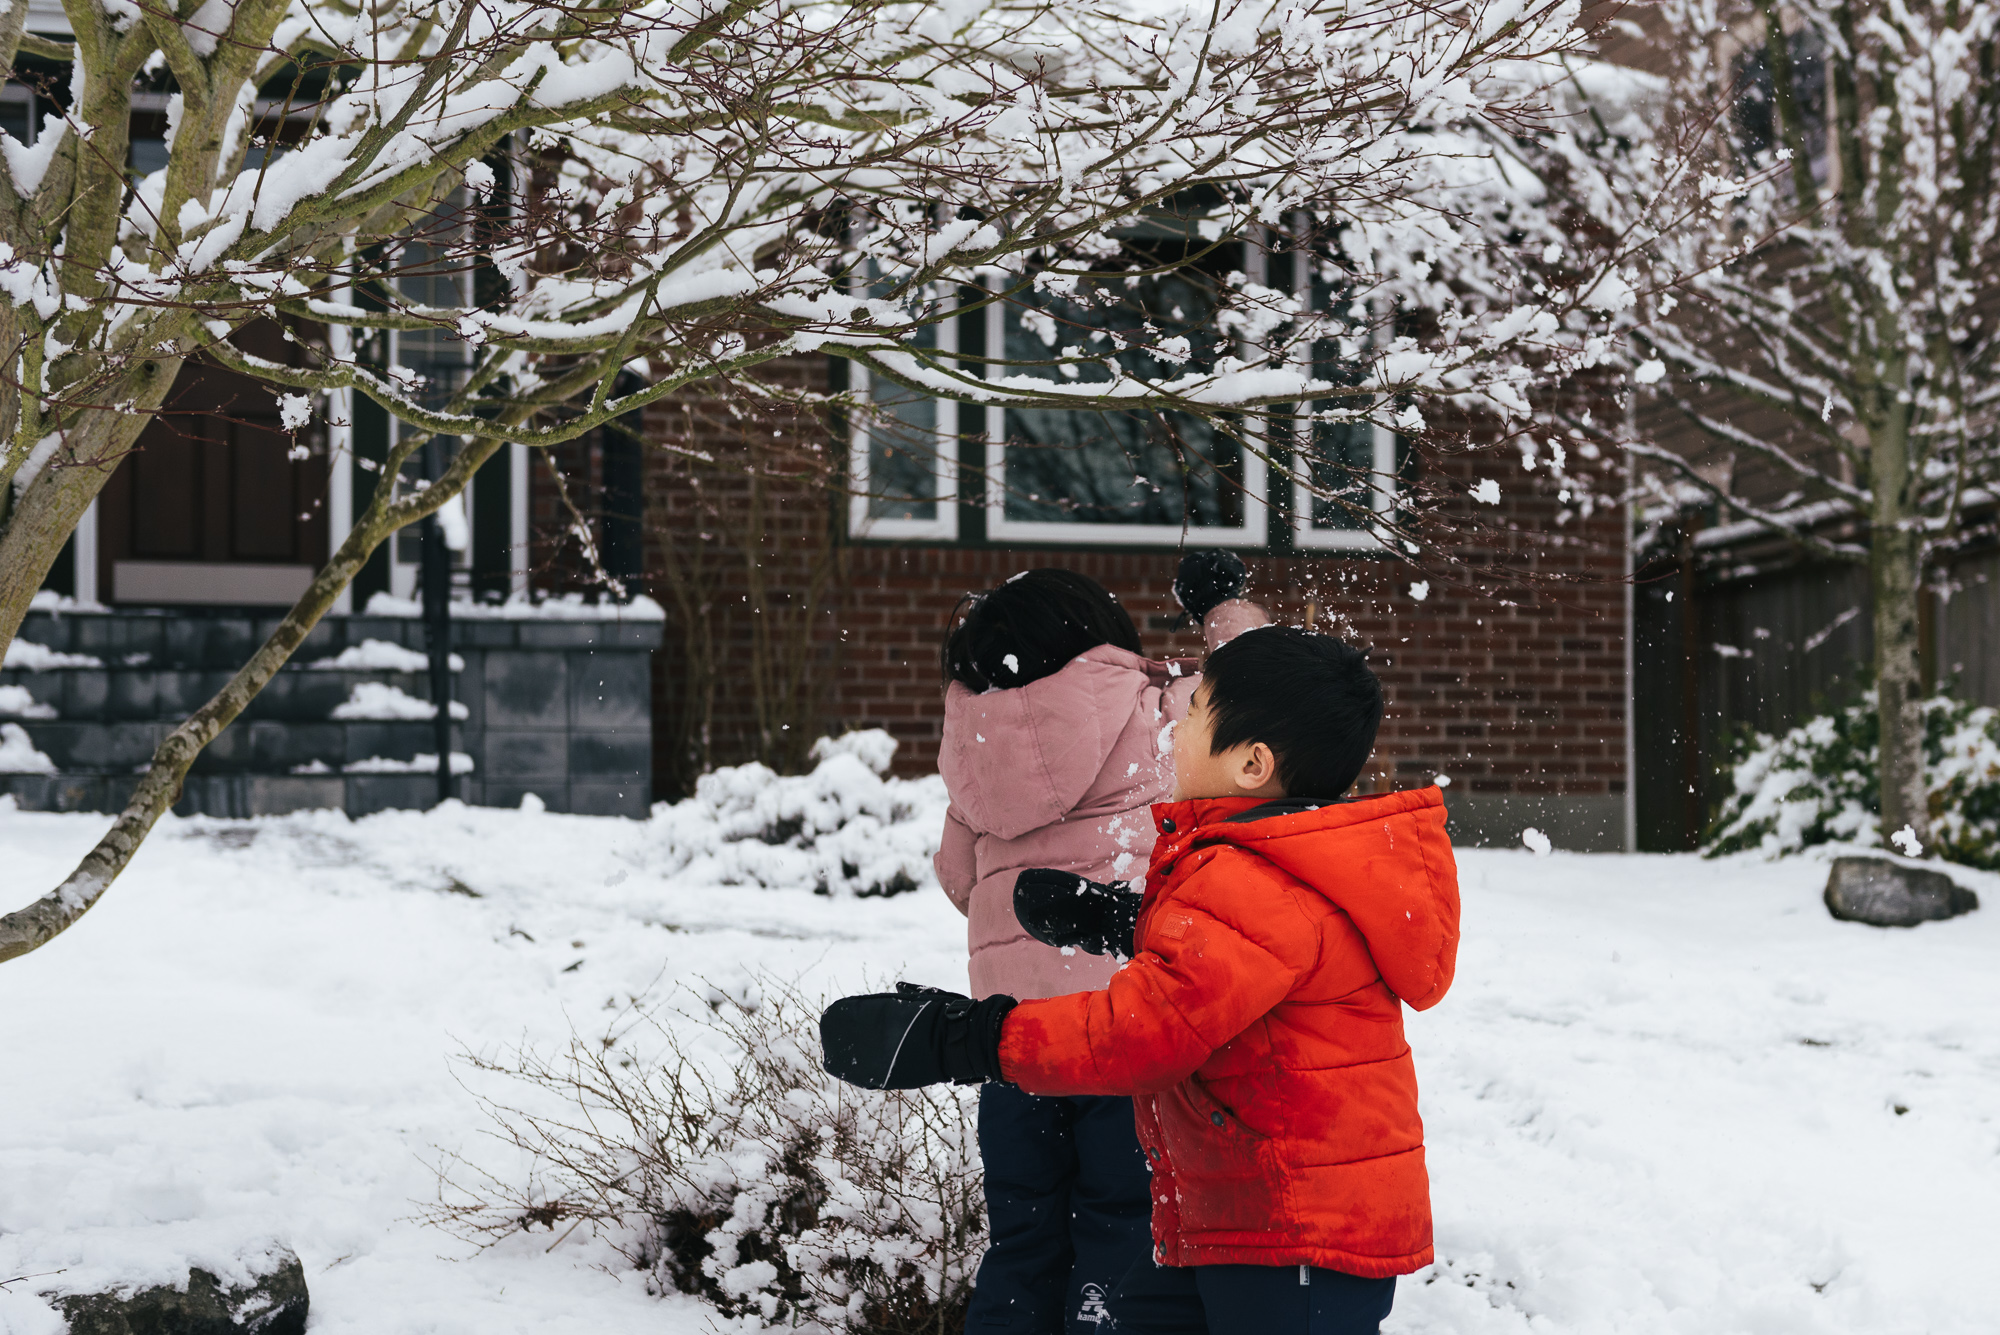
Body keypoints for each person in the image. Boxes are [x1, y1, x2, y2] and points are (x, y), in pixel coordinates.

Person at [823, 626, 1460, 1335]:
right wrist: (1123, 921)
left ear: (1251, 763)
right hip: (1242, 1215)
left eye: (1196, 714)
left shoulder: (1254, 880)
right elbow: (1233, 965)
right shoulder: (1279, 864)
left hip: (1293, 1234)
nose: (1175, 729)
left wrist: (970, 1038)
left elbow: (1142, 1034)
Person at [929, 559, 1268, 1335]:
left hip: (1013, 1045)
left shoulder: (973, 754)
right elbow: (1266, 682)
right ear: (1101, 636)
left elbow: (959, 880)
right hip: (1125, 1035)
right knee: (1123, 1227)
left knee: (1024, 1237)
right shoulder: (1163, 713)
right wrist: (1221, 602)